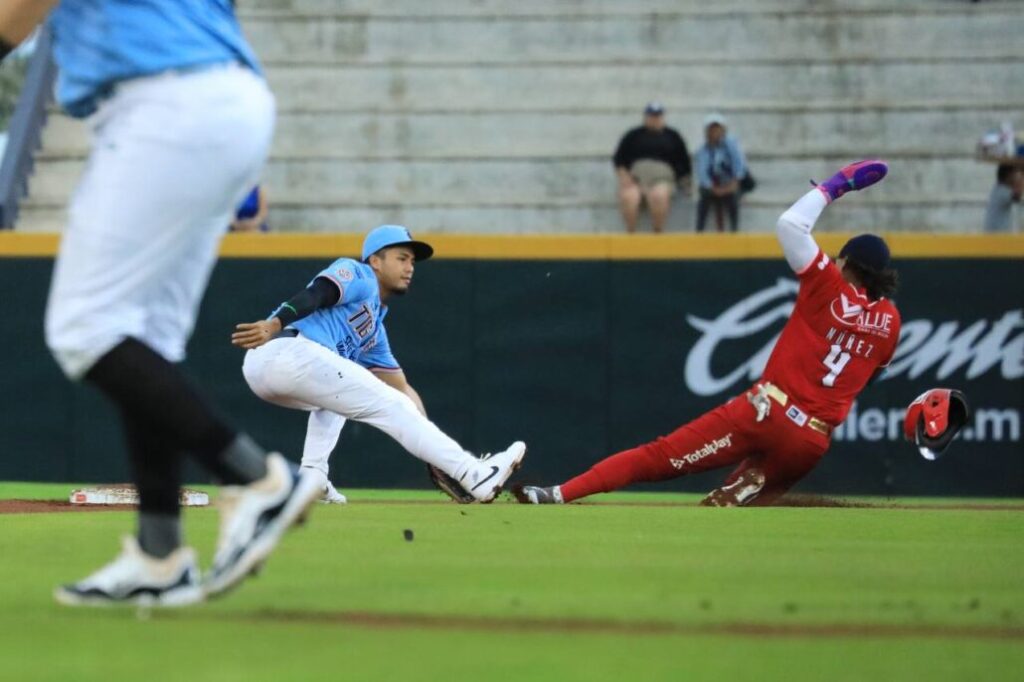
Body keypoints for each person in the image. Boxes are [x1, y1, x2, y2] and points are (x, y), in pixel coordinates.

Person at [1, 0, 321, 606]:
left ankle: (259, 479)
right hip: (232, 101)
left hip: (164, 107)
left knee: (84, 331)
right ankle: (159, 554)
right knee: (140, 340)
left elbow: (16, 15)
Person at [515, 160, 900, 507]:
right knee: (722, 511)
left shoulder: (827, 284)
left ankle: (558, 494)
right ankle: (747, 485)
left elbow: (790, 225)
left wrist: (836, 185)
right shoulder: (891, 323)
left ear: (846, 263)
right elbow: (868, 376)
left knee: (658, 457)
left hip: (769, 411)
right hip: (811, 442)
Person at [232, 224, 527, 504]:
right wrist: (275, 322)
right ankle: (473, 473)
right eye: (401, 258)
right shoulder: (359, 274)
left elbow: (402, 391)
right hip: (284, 347)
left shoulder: (374, 332)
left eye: (412, 261)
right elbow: (318, 293)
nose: (410, 267)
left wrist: (433, 453)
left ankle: (313, 476)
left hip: (277, 367)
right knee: (369, 394)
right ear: (375, 260)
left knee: (343, 394)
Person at [612, 102, 691, 234]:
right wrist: (624, 176)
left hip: (662, 179)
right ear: (645, 117)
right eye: (651, 116)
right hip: (636, 179)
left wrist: (684, 181)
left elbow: (684, 162)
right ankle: (631, 234)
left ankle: (657, 233)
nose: (654, 119)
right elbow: (619, 159)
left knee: (659, 195)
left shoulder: (673, 136)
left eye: (657, 116)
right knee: (629, 196)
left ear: (662, 117)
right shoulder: (633, 135)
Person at [695, 113, 747, 232]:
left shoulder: (732, 145)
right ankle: (699, 231)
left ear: (723, 130)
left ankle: (734, 230)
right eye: (711, 129)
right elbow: (702, 174)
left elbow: (739, 166)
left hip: (730, 184)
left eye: (717, 129)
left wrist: (732, 184)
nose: (715, 132)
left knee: (733, 199)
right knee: (703, 200)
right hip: (713, 186)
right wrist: (714, 189)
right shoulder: (702, 151)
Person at [983, 163, 1022, 232]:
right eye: (1014, 175)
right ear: (1008, 176)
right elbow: (1017, 196)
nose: (1015, 178)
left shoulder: (998, 188)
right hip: (997, 237)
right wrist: (1022, 175)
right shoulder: (1002, 191)